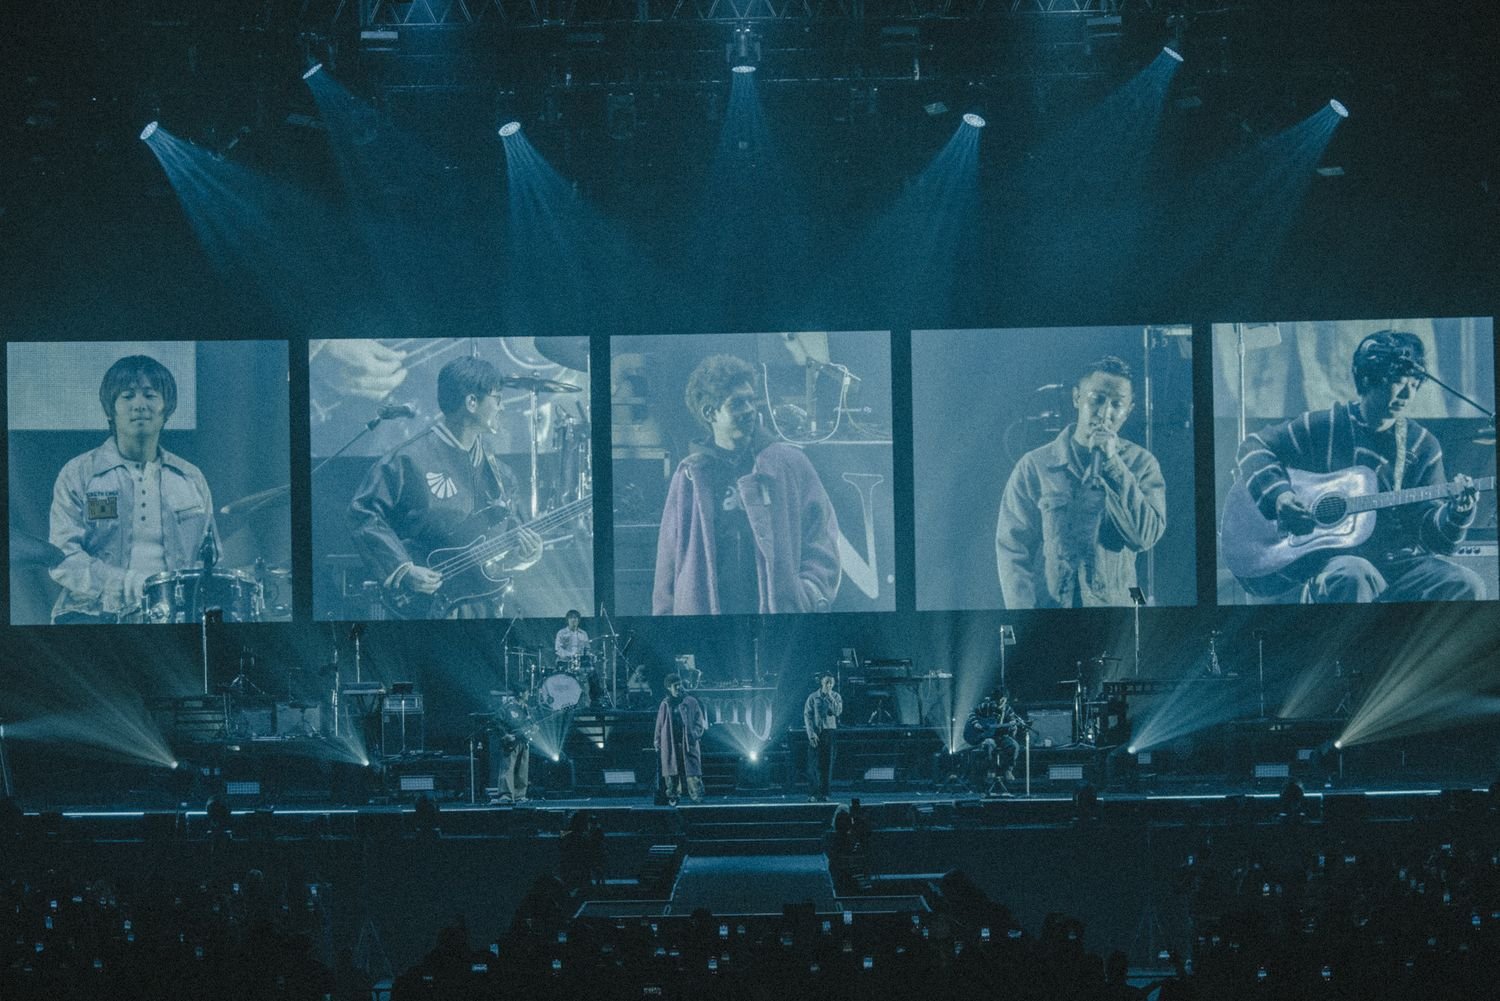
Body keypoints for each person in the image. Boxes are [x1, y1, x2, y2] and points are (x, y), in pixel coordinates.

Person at [1234, 330, 1483, 603]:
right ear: (1367, 379)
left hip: (1400, 564)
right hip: (1337, 561)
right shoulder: (1325, 427)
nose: (1407, 393)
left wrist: (1458, 513)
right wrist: (1280, 496)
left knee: (1465, 584)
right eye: (1397, 382)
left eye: (1414, 384)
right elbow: (1253, 447)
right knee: (1353, 574)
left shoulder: (1422, 445)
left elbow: (1436, 539)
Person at [349, 356, 543, 618]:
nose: (502, 406)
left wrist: (523, 555)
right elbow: (363, 513)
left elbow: (508, 540)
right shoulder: (407, 460)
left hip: (482, 605)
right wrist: (404, 569)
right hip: (421, 604)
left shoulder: (502, 475)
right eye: (497, 398)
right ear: (471, 402)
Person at [653, 354, 841, 615]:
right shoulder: (690, 476)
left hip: (775, 623)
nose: (750, 409)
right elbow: (668, 561)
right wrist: (667, 622)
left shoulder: (789, 464)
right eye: (737, 403)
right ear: (710, 413)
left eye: (751, 400)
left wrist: (810, 592)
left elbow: (822, 534)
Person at [48, 355, 218, 624]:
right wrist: (127, 584)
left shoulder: (191, 478)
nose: (139, 405)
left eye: (150, 395)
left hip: (175, 617)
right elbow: (63, 556)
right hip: (94, 614)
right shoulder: (78, 473)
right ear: (110, 410)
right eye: (127, 396)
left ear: (166, 409)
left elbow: (210, 559)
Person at [995, 355, 1166, 609]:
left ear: (1129, 410)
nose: (1105, 414)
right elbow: (1012, 548)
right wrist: (1024, 617)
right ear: (1077, 398)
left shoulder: (1141, 464)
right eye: (1097, 399)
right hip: (1053, 613)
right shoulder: (1034, 466)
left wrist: (1113, 465)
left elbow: (1145, 536)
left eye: (1117, 404)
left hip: (1114, 615)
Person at [653, 673, 707, 806]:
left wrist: (694, 734)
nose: (678, 688)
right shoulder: (665, 704)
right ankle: (673, 797)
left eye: (679, 684)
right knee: (671, 772)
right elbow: (659, 725)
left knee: (693, 773)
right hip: (670, 743)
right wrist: (657, 741)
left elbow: (699, 721)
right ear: (669, 688)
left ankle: (697, 797)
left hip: (688, 743)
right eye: (675, 685)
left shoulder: (691, 701)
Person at [963, 689, 1020, 796]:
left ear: (1005, 699)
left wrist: (1013, 727)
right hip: (987, 737)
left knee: (1014, 745)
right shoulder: (985, 706)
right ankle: (991, 770)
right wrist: (976, 724)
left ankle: (1008, 769)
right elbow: (971, 713)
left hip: (1002, 736)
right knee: (989, 744)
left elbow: (1012, 726)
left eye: (1001, 700)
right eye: (996, 701)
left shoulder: (1008, 710)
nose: (998, 703)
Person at [803, 672, 843, 802]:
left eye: (831, 682)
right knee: (813, 765)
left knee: (827, 764)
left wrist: (830, 697)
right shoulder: (813, 697)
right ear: (821, 682)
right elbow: (807, 716)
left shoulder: (836, 696)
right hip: (816, 732)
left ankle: (825, 793)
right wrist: (811, 734)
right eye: (827, 682)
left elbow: (838, 712)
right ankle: (813, 793)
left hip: (829, 732)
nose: (829, 685)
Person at [489, 692, 531, 804]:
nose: (529, 694)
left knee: (522, 770)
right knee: (507, 768)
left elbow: (530, 723)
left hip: (524, 741)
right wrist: (504, 735)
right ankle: (506, 795)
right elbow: (496, 721)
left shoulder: (526, 708)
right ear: (520, 693)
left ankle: (520, 795)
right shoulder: (508, 707)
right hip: (511, 741)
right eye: (527, 692)